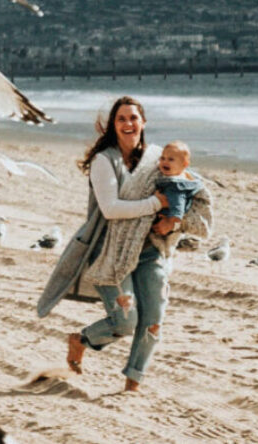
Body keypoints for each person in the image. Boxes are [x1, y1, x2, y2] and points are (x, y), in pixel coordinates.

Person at [36, 96, 212, 392]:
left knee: (153, 320)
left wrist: (175, 221)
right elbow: (111, 209)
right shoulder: (104, 161)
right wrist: (156, 202)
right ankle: (82, 340)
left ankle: (133, 383)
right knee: (126, 320)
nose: (129, 124)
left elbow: (191, 188)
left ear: (143, 122)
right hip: (110, 251)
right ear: (113, 126)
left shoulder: (160, 159)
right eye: (122, 119)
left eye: (134, 118)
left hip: (153, 250)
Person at [148, 141, 203, 258]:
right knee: (171, 239)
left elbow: (178, 205)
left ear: (184, 164)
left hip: (169, 218)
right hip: (172, 218)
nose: (165, 162)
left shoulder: (175, 185)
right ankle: (168, 251)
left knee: (159, 238)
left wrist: (171, 221)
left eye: (171, 160)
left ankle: (166, 252)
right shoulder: (185, 177)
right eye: (162, 158)